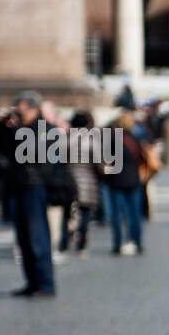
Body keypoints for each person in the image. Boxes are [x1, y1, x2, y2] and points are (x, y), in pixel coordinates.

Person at [7, 92, 56, 297]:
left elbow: (38, 156)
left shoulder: (44, 129)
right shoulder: (20, 129)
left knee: (37, 236)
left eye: (20, 109)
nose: (17, 113)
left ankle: (45, 283)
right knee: (24, 238)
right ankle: (32, 281)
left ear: (32, 108)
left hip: (35, 186)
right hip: (20, 185)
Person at [60, 110, 102, 259]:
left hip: (69, 181)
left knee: (66, 215)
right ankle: (81, 246)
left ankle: (63, 244)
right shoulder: (92, 140)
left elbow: (60, 161)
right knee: (85, 215)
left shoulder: (66, 139)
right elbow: (98, 164)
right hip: (88, 181)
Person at [108, 112, 145, 254]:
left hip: (117, 180)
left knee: (117, 215)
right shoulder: (136, 139)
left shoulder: (113, 139)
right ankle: (137, 242)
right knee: (135, 213)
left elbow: (108, 160)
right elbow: (142, 158)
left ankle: (117, 243)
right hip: (134, 180)